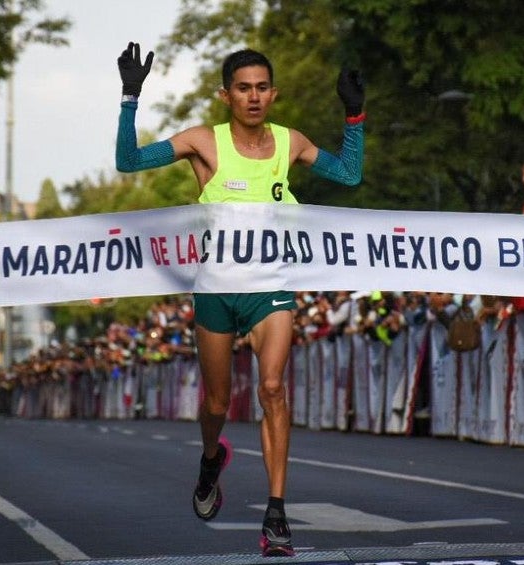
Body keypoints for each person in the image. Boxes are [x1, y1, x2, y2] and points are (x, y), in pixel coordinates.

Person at [115, 42, 364, 557]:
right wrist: (130, 97)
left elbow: (349, 174)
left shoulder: (289, 142)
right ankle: (211, 460)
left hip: (271, 288)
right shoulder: (203, 141)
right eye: (243, 89)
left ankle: (277, 513)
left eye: (262, 88)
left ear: (274, 93)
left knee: (272, 388)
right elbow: (128, 161)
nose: (254, 97)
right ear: (225, 94)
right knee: (217, 402)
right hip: (216, 292)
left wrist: (354, 116)